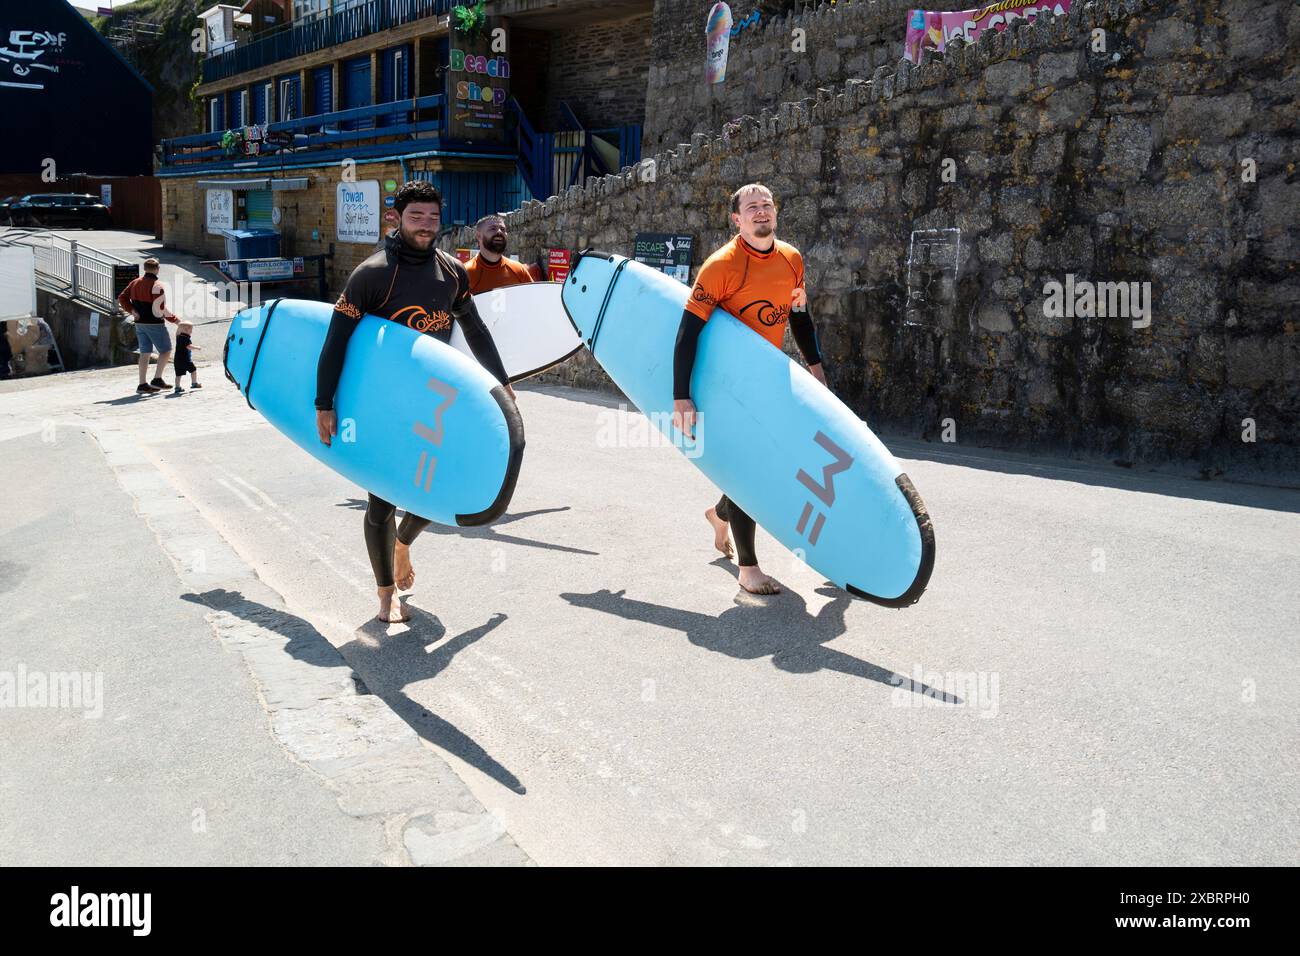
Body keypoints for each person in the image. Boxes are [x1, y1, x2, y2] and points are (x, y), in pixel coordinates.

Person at [315, 180, 516, 624]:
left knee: (436, 488)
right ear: (396, 218)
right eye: (415, 217)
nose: (425, 225)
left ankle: (403, 544)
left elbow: (476, 330)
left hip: (432, 401)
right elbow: (337, 340)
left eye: (432, 217)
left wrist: (500, 384)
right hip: (382, 406)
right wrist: (323, 403)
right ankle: (385, 593)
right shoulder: (371, 275)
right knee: (382, 502)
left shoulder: (451, 272)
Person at [672, 183, 827, 596]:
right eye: (752, 207)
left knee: (768, 464)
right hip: (726, 383)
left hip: (768, 378)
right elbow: (687, 333)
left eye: (768, 205)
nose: (762, 211)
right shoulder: (721, 266)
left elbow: (798, 316)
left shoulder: (791, 259)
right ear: (736, 219)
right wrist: (681, 396)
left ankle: (720, 514)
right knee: (748, 469)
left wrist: (816, 367)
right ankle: (749, 568)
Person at [117, 257, 177, 394]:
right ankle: (157, 379)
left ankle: (142, 384)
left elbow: (122, 297)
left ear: (144, 269)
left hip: (139, 323)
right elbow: (160, 309)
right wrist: (175, 320)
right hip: (154, 323)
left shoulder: (134, 282)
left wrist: (132, 310)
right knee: (166, 350)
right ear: (157, 269)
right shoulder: (158, 286)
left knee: (145, 353)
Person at [464, 214, 534, 294]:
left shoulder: (518, 270)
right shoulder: (466, 272)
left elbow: (533, 300)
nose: (499, 232)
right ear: (479, 236)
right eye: (492, 229)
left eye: (503, 229)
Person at [172, 322, 201, 393]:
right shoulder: (185, 338)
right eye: (191, 329)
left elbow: (177, 332)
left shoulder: (178, 337)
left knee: (178, 374)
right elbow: (189, 346)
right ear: (186, 330)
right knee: (193, 370)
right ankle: (194, 383)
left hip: (177, 360)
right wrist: (197, 348)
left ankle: (177, 387)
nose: (191, 331)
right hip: (185, 359)